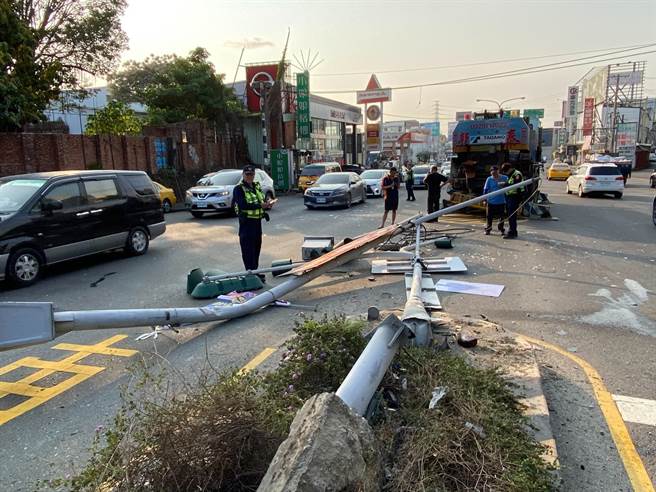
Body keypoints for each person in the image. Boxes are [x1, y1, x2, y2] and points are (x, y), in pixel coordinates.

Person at [233, 165, 273, 279]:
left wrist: (267, 203)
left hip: (257, 223)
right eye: (247, 175)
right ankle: (250, 273)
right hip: (246, 223)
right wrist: (260, 205)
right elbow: (242, 204)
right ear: (243, 175)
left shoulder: (256, 186)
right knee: (248, 250)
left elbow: (260, 200)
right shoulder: (239, 189)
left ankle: (255, 272)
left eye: (252, 175)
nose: (250, 177)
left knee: (256, 248)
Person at [500, 162, 524, 239]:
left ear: (510, 169)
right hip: (510, 197)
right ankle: (513, 232)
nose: (505, 173)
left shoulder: (517, 174)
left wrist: (505, 184)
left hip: (515, 197)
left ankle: (512, 232)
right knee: (510, 215)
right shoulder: (511, 174)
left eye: (506, 171)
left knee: (512, 215)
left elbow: (516, 185)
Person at [483, 166, 508, 236]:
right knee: (489, 216)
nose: (494, 175)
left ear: (498, 171)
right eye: (493, 174)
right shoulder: (489, 179)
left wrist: (504, 185)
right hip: (491, 201)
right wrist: (484, 200)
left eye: (495, 173)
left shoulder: (505, 178)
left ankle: (501, 229)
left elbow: (510, 186)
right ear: (491, 173)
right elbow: (485, 190)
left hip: (501, 201)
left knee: (501, 216)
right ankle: (488, 229)